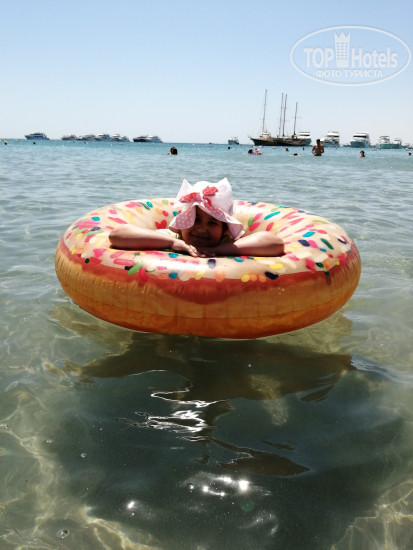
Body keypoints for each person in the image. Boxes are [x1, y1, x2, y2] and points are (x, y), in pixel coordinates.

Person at [109, 178, 284, 258]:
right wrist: (173, 244)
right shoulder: (172, 238)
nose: (201, 228)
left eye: (213, 222)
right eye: (195, 218)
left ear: (224, 229)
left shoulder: (225, 243)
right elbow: (117, 235)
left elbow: (274, 243)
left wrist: (220, 251)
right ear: (181, 223)